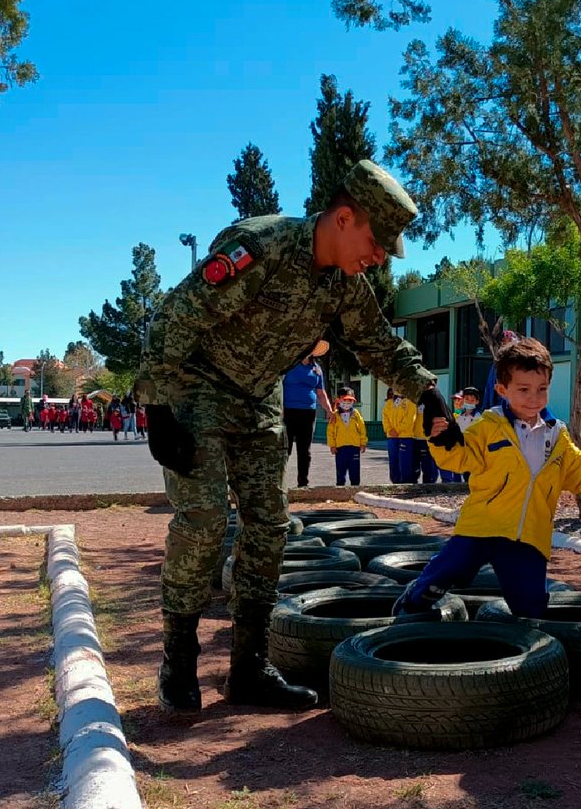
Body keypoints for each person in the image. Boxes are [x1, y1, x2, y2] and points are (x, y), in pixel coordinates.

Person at [136, 158, 443, 714]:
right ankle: (177, 662)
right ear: (344, 218)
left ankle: (249, 669)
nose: (378, 257)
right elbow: (174, 316)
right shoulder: (262, 245)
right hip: (196, 388)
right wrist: (157, 408)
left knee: (270, 528)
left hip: (259, 401)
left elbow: (379, 344)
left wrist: (427, 394)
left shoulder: (344, 285)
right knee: (203, 521)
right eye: (376, 242)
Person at [396, 337, 581, 617]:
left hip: (529, 536)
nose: (534, 397)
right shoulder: (488, 426)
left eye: (541, 389)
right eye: (524, 389)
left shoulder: (556, 434)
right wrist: (439, 439)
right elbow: (462, 456)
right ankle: (411, 602)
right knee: (445, 572)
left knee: (530, 607)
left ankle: (533, 644)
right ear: (502, 389)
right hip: (480, 528)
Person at [282, 344, 334, 488]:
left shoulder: (316, 369)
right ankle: (280, 483)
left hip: (308, 412)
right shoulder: (289, 365)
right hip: (288, 410)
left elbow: (321, 393)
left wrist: (329, 410)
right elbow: (278, 386)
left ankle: (303, 483)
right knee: (285, 448)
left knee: (304, 450)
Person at [327, 387, 367, 486]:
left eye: (350, 400)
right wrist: (332, 445)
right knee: (341, 471)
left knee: (355, 471)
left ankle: (355, 489)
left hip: (354, 447)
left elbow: (362, 429)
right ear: (338, 400)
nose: (347, 402)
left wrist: (363, 443)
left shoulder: (356, 414)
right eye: (344, 399)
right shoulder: (335, 415)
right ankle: (340, 489)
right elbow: (330, 432)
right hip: (340, 448)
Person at [382, 387, 416, 484]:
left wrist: (397, 430)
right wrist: (389, 429)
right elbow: (385, 417)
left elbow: (409, 419)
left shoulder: (410, 402)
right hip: (391, 437)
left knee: (404, 462)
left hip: (405, 437)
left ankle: (405, 483)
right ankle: (395, 482)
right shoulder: (389, 403)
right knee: (393, 461)